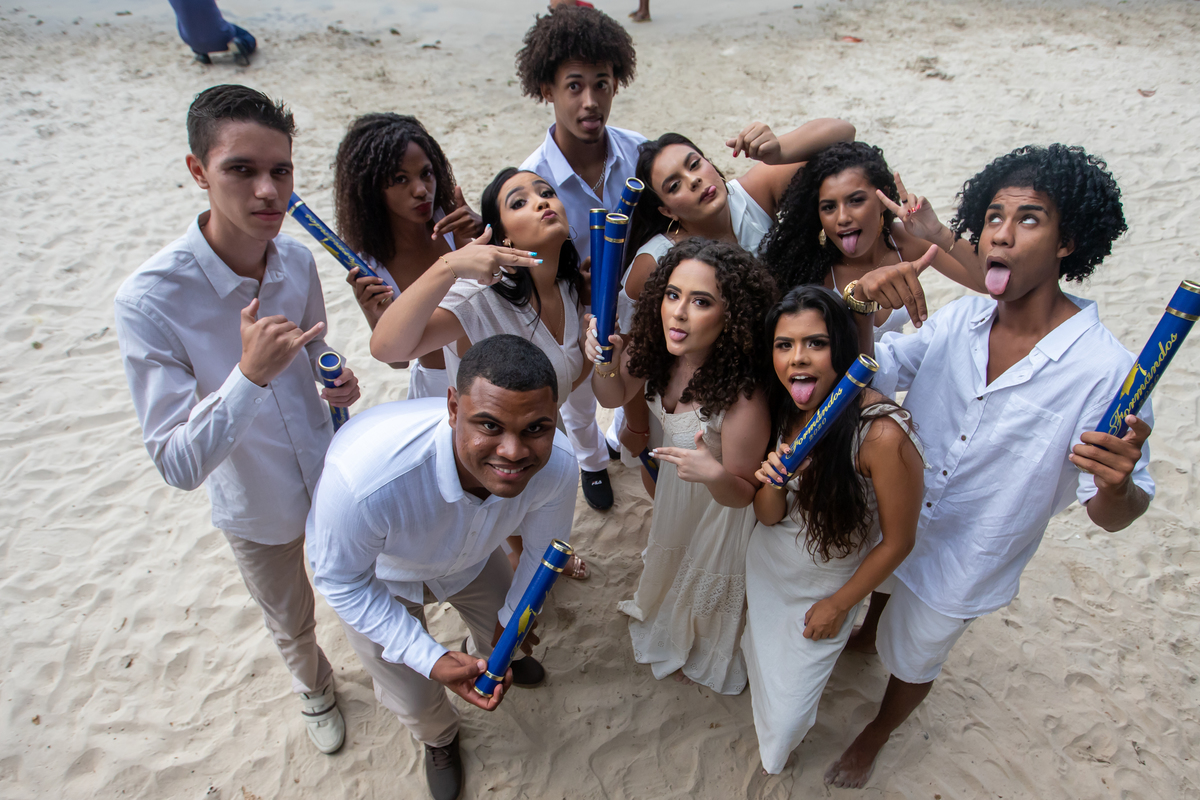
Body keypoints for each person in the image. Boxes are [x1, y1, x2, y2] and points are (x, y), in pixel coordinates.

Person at [824, 144, 1155, 788]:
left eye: (1030, 219)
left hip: (975, 548)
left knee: (918, 656)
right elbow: (876, 378)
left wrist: (1117, 484)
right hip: (900, 508)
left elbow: (1114, 514)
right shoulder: (961, 317)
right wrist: (861, 309)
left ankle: (877, 732)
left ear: (1069, 242)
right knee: (882, 587)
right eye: (995, 216)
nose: (1002, 233)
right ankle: (866, 631)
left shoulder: (1108, 373)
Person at [113, 84, 360, 755]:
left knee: (368, 577)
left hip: (330, 467)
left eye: (280, 170)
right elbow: (176, 463)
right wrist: (248, 377)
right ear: (198, 172)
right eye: (241, 170)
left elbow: (315, 346)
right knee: (291, 618)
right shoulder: (149, 300)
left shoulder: (299, 259)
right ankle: (314, 689)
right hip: (254, 501)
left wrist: (332, 375)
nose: (267, 192)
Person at [307, 335, 577, 800]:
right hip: (383, 579)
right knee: (411, 692)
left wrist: (512, 618)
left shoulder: (559, 465)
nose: (513, 452)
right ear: (452, 407)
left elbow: (540, 551)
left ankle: (497, 659)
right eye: (489, 425)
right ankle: (440, 739)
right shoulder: (364, 482)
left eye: (536, 428)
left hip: (473, 560)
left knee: (507, 634)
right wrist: (428, 656)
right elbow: (341, 580)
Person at [370, 168, 591, 579]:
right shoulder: (478, 297)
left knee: (538, 500)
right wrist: (448, 266)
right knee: (501, 511)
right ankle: (517, 554)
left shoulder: (571, 287)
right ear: (502, 239)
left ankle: (538, 557)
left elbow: (567, 376)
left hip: (543, 425)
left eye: (546, 193)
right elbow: (388, 348)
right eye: (519, 202)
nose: (542, 202)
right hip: (484, 440)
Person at [608, 120, 855, 485]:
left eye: (694, 164)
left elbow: (843, 131)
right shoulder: (654, 261)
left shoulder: (750, 193)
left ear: (711, 162)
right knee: (672, 487)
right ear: (667, 211)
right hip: (684, 395)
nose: (693, 181)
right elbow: (631, 347)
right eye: (674, 185)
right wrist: (638, 427)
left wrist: (779, 149)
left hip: (760, 375)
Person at [743, 286, 924, 774]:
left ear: (841, 348)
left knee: (787, 716)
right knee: (759, 661)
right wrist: (775, 481)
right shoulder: (783, 405)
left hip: (825, 586)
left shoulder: (880, 433)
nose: (797, 359)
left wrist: (839, 605)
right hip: (767, 567)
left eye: (815, 343)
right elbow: (767, 516)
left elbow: (900, 540)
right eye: (784, 345)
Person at [588, 239, 777, 693]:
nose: (678, 313)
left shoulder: (743, 398)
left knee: (706, 575)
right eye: (673, 295)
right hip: (679, 486)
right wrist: (602, 362)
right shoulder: (655, 351)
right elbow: (611, 396)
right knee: (674, 554)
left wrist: (712, 473)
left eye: (701, 302)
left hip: (722, 507)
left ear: (731, 316)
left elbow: (744, 493)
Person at [516, 4, 641, 508]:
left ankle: (625, 443)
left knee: (635, 385)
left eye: (602, 84)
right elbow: (526, 262)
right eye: (574, 85)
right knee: (578, 397)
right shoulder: (532, 182)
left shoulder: (640, 154)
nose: (590, 102)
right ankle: (591, 460)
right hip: (570, 309)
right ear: (546, 89)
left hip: (637, 298)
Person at [758, 140, 986, 339]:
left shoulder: (904, 242)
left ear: (883, 197)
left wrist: (937, 233)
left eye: (855, 201)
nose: (843, 218)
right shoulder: (812, 271)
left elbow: (986, 282)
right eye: (828, 207)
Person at [333, 113, 483, 399]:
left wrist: (483, 231)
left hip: (489, 370)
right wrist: (374, 314)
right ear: (372, 189)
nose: (421, 190)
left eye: (426, 173)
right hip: (438, 391)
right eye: (400, 179)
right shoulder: (372, 265)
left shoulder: (451, 222)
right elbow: (398, 361)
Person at [167, 0, 256, 65]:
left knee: (190, 21)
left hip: (190, 41)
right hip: (222, 37)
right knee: (248, 38)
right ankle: (238, 44)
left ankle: (201, 53)